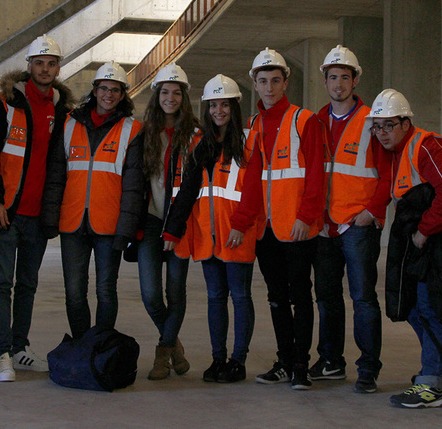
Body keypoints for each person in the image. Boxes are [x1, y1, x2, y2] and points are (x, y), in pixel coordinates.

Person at [368, 89, 442, 409]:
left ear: (405, 122)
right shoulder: (397, 153)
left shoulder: (428, 146)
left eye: (388, 125)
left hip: (435, 245)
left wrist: (425, 231)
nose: (381, 133)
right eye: (377, 126)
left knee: (429, 309)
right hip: (417, 245)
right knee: (415, 307)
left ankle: (432, 384)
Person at [164, 74, 262, 384]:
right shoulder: (200, 144)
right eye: (213, 105)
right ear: (206, 109)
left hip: (236, 233)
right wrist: (172, 230)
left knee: (240, 297)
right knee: (216, 298)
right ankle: (218, 358)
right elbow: (188, 190)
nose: (219, 111)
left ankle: (238, 360)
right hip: (208, 233)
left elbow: (255, 188)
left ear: (234, 107)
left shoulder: (249, 141)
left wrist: (241, 224)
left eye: (225, 105)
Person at [0, 35, 73, 381]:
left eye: (51, 64)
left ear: (57, 68)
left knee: (28, 285)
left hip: (39, 214)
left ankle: (21, 347)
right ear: (29, 66)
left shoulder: (63, 110)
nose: (46, 69)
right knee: (1, 284)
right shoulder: (4, 103)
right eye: (40, 63)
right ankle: (2, 353)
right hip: (6, 211)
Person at [42, 62, 145, 339]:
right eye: (103, 89)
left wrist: (126, 229)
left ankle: (101, 346)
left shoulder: (132, 129)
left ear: (123, 95)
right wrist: (51, 218)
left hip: (109, 225)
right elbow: (56, 176)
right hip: (72, 222)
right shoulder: (69, 123)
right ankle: (80, 346)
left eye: (115, 90)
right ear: (94, 90)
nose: (108, 95)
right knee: (74, 290)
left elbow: (134, 187)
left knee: (105, 290)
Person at [244, 48, 327, 391]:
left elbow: (316, 174)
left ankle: (301, 367)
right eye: (263, 81)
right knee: (276, 297)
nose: (269, 87)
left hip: (296, 226)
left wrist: (306, 217)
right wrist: (243, 221)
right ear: (255, 84)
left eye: (275, 81)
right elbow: (251, 177)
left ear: (285, 82)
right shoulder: (255, 124)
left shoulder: (304, 120)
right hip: (266, 229)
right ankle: (284, 361)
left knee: (300, 296)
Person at [310, 46, 388, 394]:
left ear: (355, 80)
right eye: (332, 77)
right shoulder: (314, 121)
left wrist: (373, 212)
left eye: (345, 77)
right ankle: (331, 361)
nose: (338, 83)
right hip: (324, 227)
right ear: (324, 81)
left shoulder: (373, 120)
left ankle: (368, 368)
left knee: (363, 298)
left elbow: (388, 172)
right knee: (326, 298)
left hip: (357, 225)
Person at [137, 62, 200, 380]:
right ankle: (174, 346)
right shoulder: (145, 133)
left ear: (184, 98)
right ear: (157, 96)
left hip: (181, 223)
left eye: (177, 92)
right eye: (165, 92)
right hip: (150, 221)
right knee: (150, 293)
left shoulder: (196, 136)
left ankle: (162, 353)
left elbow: (194, 186)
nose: (171, 98)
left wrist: (177, 225)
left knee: (176, 293)